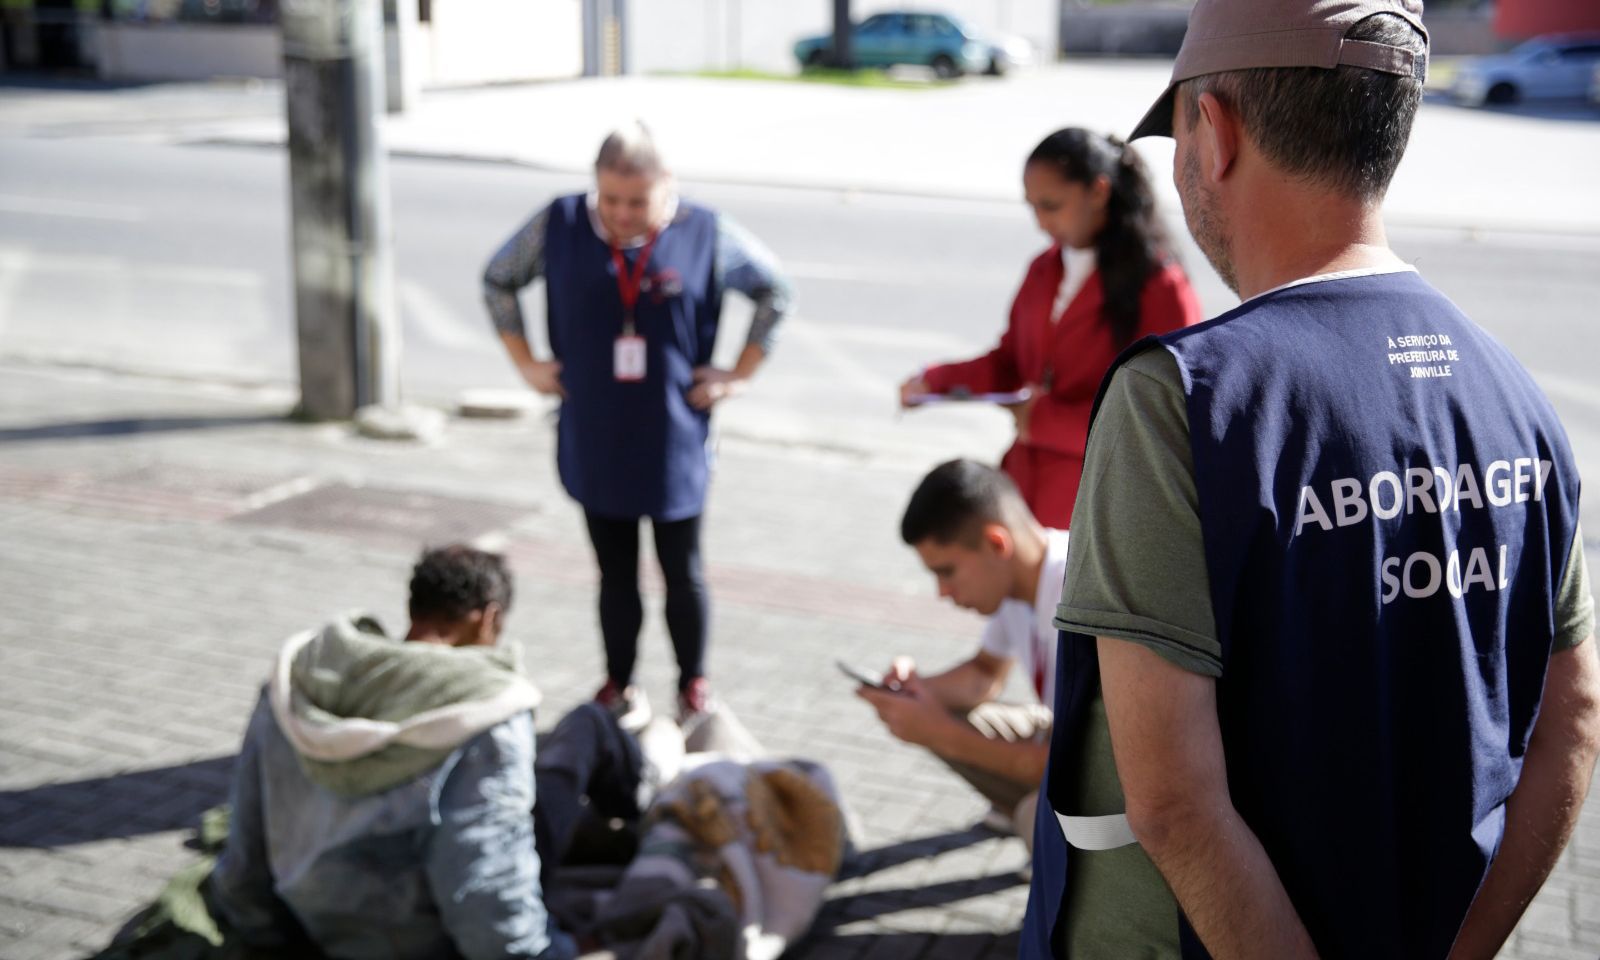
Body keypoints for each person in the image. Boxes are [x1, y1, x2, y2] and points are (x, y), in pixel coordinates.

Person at [1021, 3, 1600, 959]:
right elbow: (1570, 719)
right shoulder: (1513, 391)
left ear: (1215, 133)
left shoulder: (1182, 398)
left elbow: (1172, 804)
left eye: (1180, 133)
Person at [484, 122, 793, 725]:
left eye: (637, 201)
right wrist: (527, 363)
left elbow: (775, 292)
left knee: (683, 571)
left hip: (674, 434)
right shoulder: (559, 223)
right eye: (610, 199)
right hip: (594, 430)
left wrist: (738, 374)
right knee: (615, 573)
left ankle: (693, 685)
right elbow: (498, 279)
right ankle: (619, 683)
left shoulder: (706, 231)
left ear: (667, 185)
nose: (623, 214)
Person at [207, 545, 579, 960]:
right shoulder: (488, 711)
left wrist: (269, 939)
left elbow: (245, 859)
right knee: (585, 731)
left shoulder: (299, 679)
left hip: (310, 924)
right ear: (489, 618)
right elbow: (486, 897)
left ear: (414, 606)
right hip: (423, 944)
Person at [898, 128, 1202, 529]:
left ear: (1098, 191)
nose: (1041, 222)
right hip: (1026, 494)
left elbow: (1164, 417)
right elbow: (1010, 361)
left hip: (1103, 507)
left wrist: (1042, 420)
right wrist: (936, 381)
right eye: (1032, 207)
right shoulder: (1043, 269)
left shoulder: (1161, 287)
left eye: (1052, 205)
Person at [855, 459, 1067, 846]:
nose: (942, 592)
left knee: (1035, 816)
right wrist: (913, 689)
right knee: (927, 711)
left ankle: (1062, 854)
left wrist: (943, 733)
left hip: (1123, 780)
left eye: (947, 571)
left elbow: (1091, 767)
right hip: (1076, 743)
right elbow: (984, 675)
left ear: (996, 543)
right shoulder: (1016, 583)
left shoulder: (1082, 596)